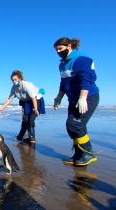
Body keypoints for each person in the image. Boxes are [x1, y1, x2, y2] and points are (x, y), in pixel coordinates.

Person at [53, 37, 99, 166]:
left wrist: (83, 97)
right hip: (73, 99)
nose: (58, 51)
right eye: (56, 50)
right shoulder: (62, 64)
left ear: (69, 46)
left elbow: (86, 78)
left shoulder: (81, 59)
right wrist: (59, 97)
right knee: (71, 128)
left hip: (88, 97)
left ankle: (89, 153)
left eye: (60, 48)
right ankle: (79, 155)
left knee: (75, 125)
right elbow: (63, 83)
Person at [0, 70, 45, 145]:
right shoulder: (14, 88)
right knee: (25, 120)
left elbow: (33, 98)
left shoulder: (26, 85)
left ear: (20, 78)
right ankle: (20, 137)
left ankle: (32, 139)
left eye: (15, 79)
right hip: (27, 102)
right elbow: (9, 99)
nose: (14, 81)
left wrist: (35, 109)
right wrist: (2, 108)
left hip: (36, 101)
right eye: (12, 80)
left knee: (31, 120)